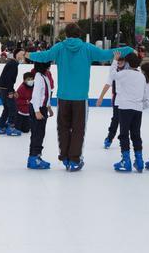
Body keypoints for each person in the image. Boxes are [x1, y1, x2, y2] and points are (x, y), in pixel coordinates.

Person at [27, 23, 134, 172]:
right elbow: (105, 54)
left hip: (63, 96)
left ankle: (65, 157)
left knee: (63, 127)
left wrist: (28, 54)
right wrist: (128, 50)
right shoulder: (87, 48)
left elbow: (45, 56)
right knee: (78, 129)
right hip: (80, 97)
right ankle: (75, 160)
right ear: (79, 34)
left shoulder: (60, 47)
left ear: (66, 35)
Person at [111, 52, 147, 173]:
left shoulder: (124, 73)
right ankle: (139, 161)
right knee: (136, 134)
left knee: (124, 134)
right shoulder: (142, 76)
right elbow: (145, 93)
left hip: (125, 107)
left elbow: (112, 75)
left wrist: (115, 60)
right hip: (138, 109)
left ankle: (126, 161)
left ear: (127, 62)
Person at [26, 61, 55, 169]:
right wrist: (37, 111)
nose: (50, 66)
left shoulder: (44, 75)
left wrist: (49, 107)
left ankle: (35, 157)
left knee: (40, 133)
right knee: (37, 134)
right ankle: (34, 159)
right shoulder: (39, 76)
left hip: (42, 108)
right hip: (37, 109)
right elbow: (36, 94)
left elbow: (45, 94)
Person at [0, 47, 25, 135]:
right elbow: (9, 79)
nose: (22, 57)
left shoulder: (13, 63)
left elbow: (9, 80)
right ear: (16, 55)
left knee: (7, 108)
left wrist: (12, 90)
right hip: (5, 88)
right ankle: (10, 128)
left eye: (23, 55)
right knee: (13, 108)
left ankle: (0, 126)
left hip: (2, 87)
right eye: (20, 54)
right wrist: (10, 92)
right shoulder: (13, 64)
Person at [97, 52, 126, 149]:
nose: (120, 62)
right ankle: (109, 138)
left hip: (128, 100)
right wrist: (101, 97)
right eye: (118, 61)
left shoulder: (129, 71)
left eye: (122, 61)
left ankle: (125, 141)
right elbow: (107, 84)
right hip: (117, 99)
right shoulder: (114, 72)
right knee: (116, 119)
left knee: (127, 121)